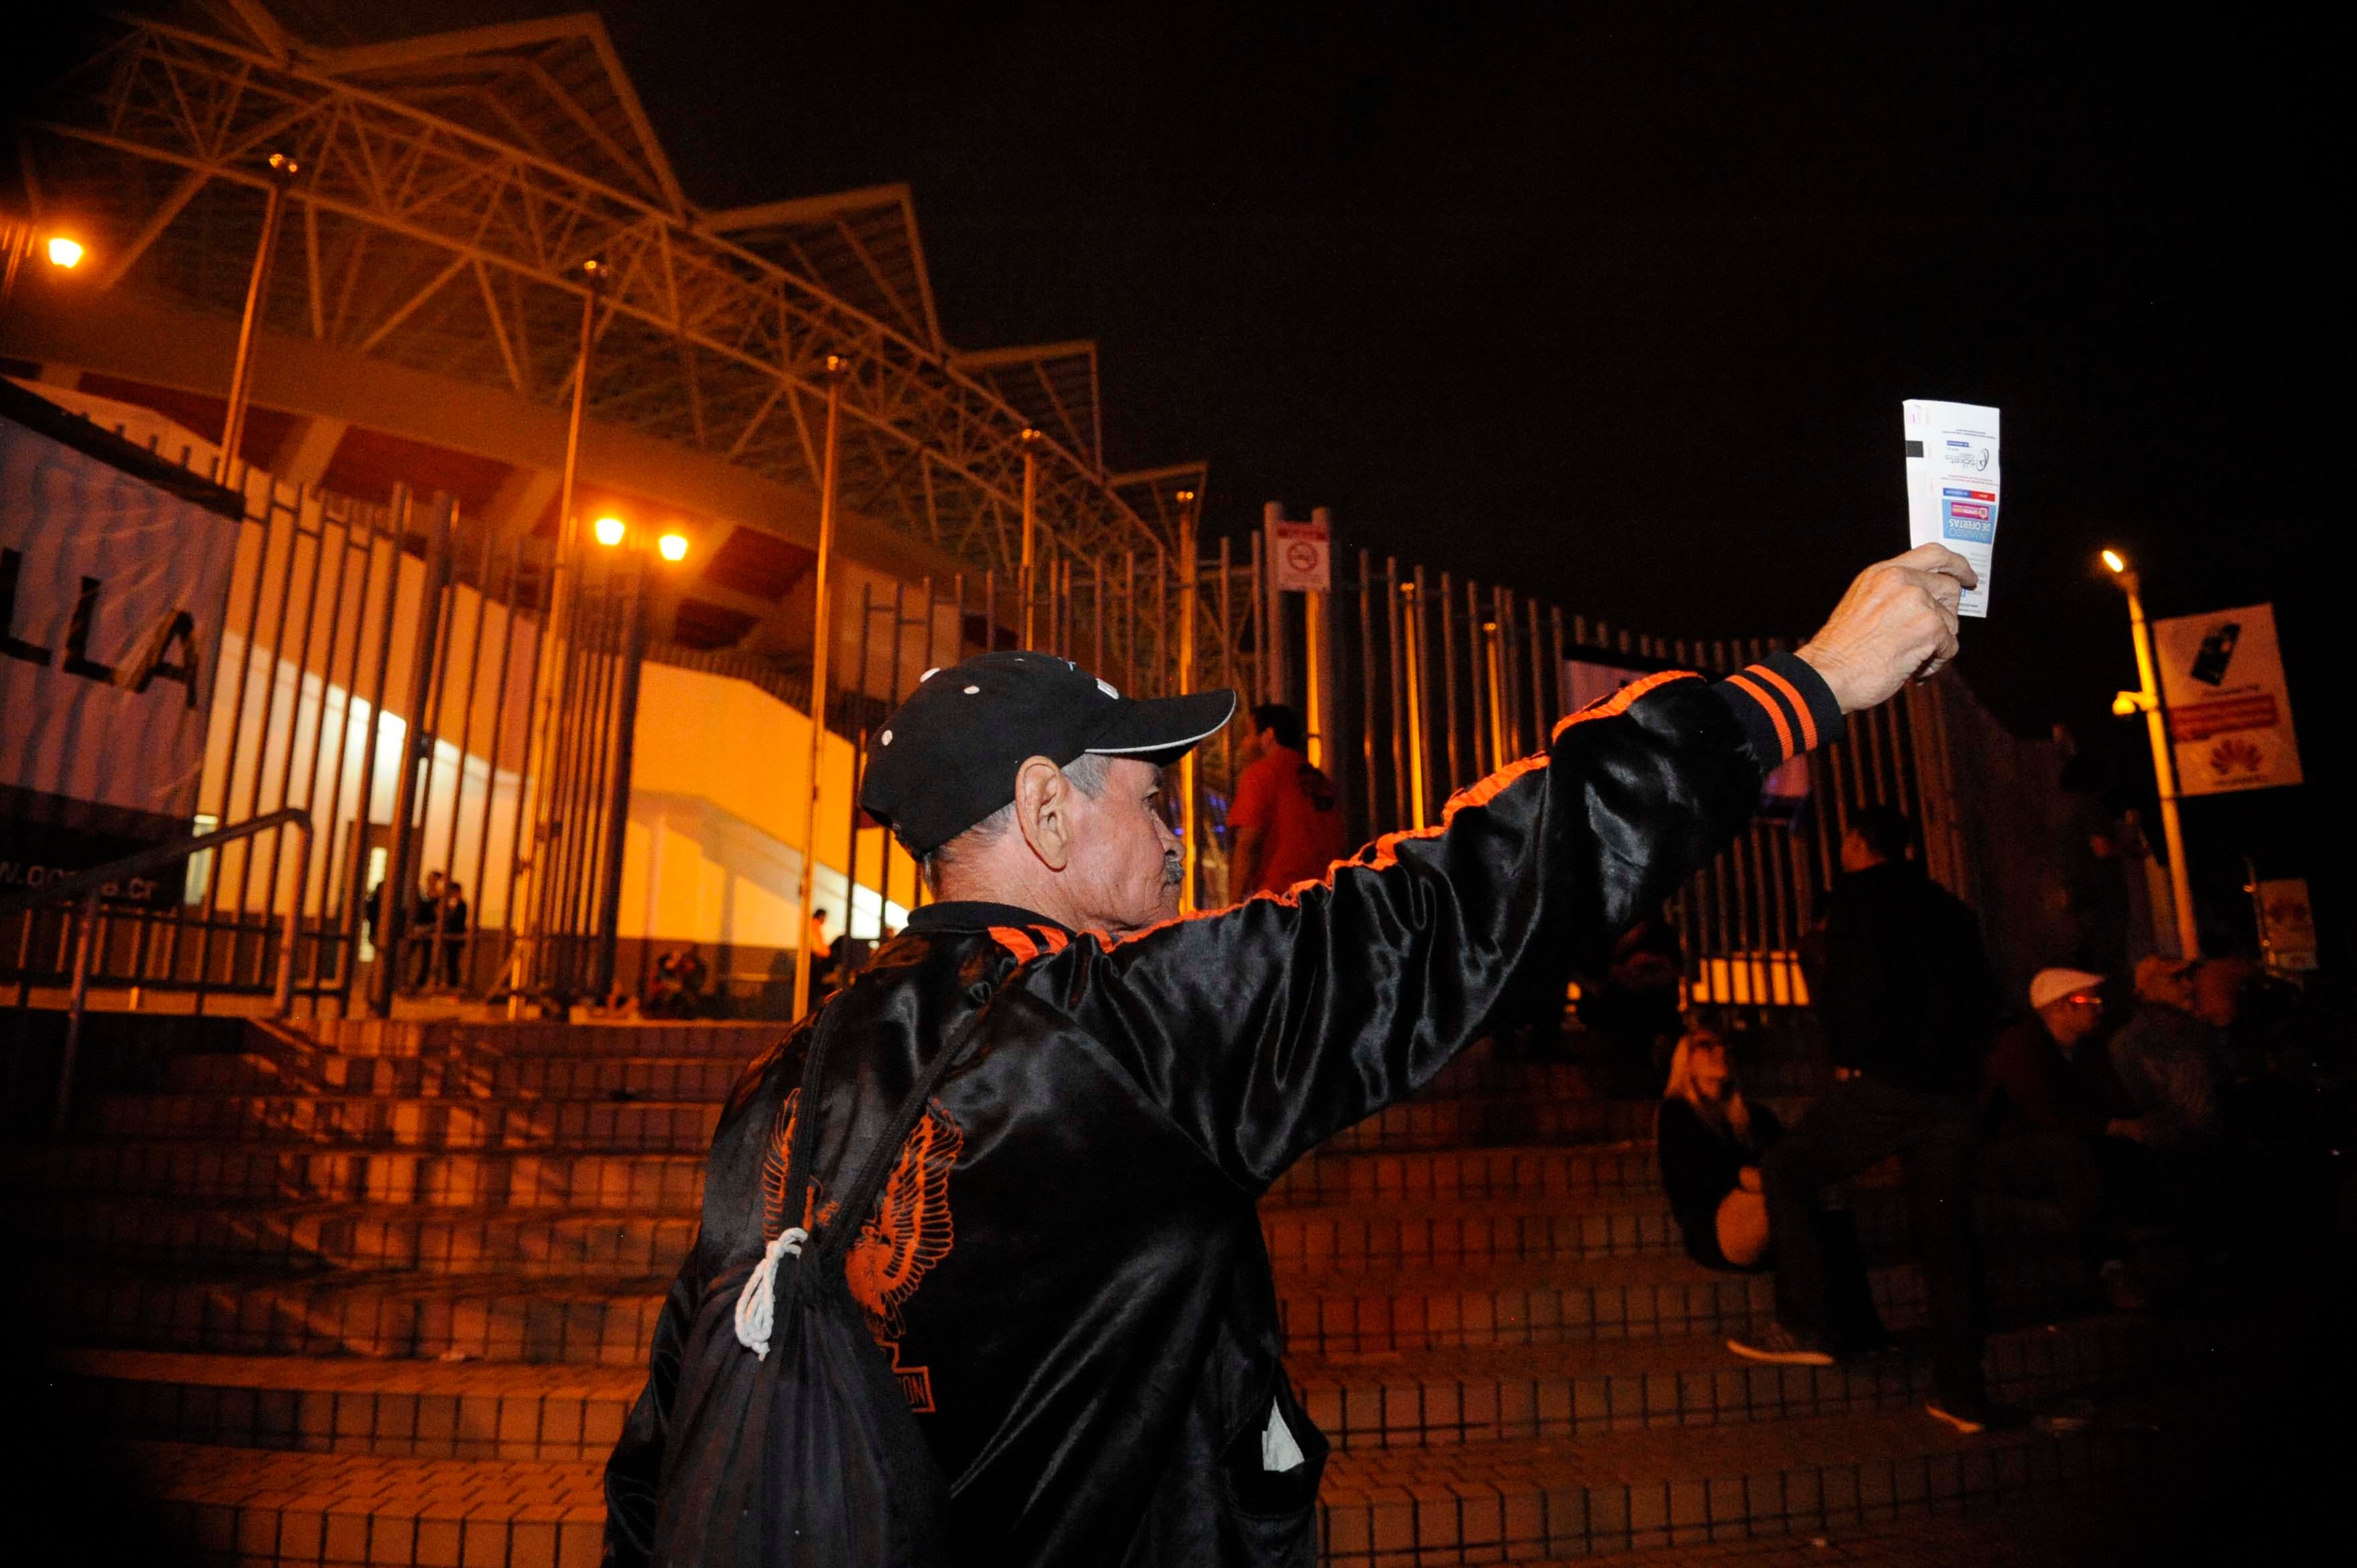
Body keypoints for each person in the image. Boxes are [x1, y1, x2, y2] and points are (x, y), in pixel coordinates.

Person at [603, 545, 1973, 1567]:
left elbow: (670, 1434)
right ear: (1046, 811)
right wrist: (1804, 688)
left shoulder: (779, 1082)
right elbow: (1463, 901)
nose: (1181, 834)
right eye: (1153, 799)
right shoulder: (1123, 1034)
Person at [1731, 802, 2007, 1435]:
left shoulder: (1859, 903)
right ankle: (1963, 1392)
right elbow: (1985, 997)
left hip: (1894, 1082)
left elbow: (1856, 996)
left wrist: (1856, 1052)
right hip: (1955, 1091)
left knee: (1788, 1167)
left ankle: (1806, 1321)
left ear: (1858, 843)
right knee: (1948, 1240)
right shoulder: (1949, 908)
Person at [1980, 967, 2145, 1309]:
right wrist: (2112, 1126)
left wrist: (2136, 1125)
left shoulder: (2088, 1048)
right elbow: (2041, 1110)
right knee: (2069, 1154)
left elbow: (2111, 1098)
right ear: (2058, 1007)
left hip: (2066, 1140)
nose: (2098, 1008)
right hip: (2008, 1147)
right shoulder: (2020, 1046)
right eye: (2088, 1001)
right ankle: (2110, 1265)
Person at [1657, 1027, 1784, 1269]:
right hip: (1713, 1225)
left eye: (1726, 1046)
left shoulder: (1757, 1116)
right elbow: (1699, 1176)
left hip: (1766, 1206)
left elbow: (1783, 1155)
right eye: (1706, 1046)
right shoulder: (1677, 1114)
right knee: (1786, 1197)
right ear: (1687, 1061)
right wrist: (1753, 1178)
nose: (1721, 1051)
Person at [1227, 702, 1347, 900]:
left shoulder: (1262, 773)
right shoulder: (1320, 780)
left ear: (1268, 736)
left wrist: (1233, 903)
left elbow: (1248, 844)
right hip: (1326, 896)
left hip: (1281, 896)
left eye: (1249, 734)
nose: (1244, 743)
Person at [435, 879, 469, 991]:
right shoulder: (451, 904)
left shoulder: (461, 904)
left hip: (455, 936)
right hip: (449, 936)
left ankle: (453, 983)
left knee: (453, 962)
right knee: (449, 961)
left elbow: (457, 920)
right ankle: (450, 983)